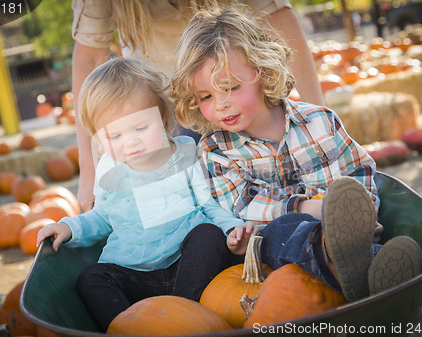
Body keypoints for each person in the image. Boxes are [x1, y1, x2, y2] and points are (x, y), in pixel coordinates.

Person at [171, 6, 422, 303]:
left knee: (380, 245)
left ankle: (369, 269)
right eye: (206, 97)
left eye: (231, 88)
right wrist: (310, 209)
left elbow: (360, 175)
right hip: (279, 255)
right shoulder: (215, 152)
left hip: (350, 238)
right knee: (282, 229)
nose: (221, 104)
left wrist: (358, 209)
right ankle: (350, 274)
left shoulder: (320, 122)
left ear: (263, 73)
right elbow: (242, 208)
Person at [36, 57, 257, 332]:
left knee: (208, 235)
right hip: (133, 274)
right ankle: (129, 328)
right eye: (114, 136)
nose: (130, 142)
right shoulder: (109, 171)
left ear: (162, 116)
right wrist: (69, 227)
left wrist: (233, 228)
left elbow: (207, 205)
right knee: (91, 278)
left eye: (141, 128)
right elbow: (103, 217)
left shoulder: (185, 153)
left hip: (186, 268)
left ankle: (183, 315)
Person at [71, 0, 325, 212]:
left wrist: (315, 120)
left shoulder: (317, 123)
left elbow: (277, 16)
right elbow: (90, 55)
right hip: (165, 107)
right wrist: (89, 172)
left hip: (232, 69)